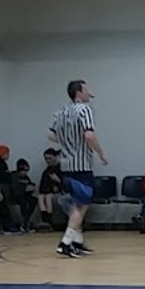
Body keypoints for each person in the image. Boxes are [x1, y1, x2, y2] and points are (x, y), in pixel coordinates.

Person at [47, 79, 107, 258]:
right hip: (81, 165)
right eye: (86, 90)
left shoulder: (61, 112)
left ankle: (78, 241)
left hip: (66, 165)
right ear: (78, 92)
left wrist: (66, 143)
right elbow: (89, 135)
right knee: (81, 205)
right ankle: (65, 242)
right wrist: (101, 153)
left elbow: (50, 135)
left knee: (79, 203)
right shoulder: (84, 110)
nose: (89, 94)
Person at [36, 148, 63, 231]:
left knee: (48, 197)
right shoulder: (46, 171)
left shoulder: (61, 169)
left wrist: (57, 180)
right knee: (41, 197)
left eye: (49, 158)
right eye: (46, 159)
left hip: (60, 191)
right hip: (47, 192)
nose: (48, 161)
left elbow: (65, 183)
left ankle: (49, 220)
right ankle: (45, 220)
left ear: (55, 157)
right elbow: (42, 186)